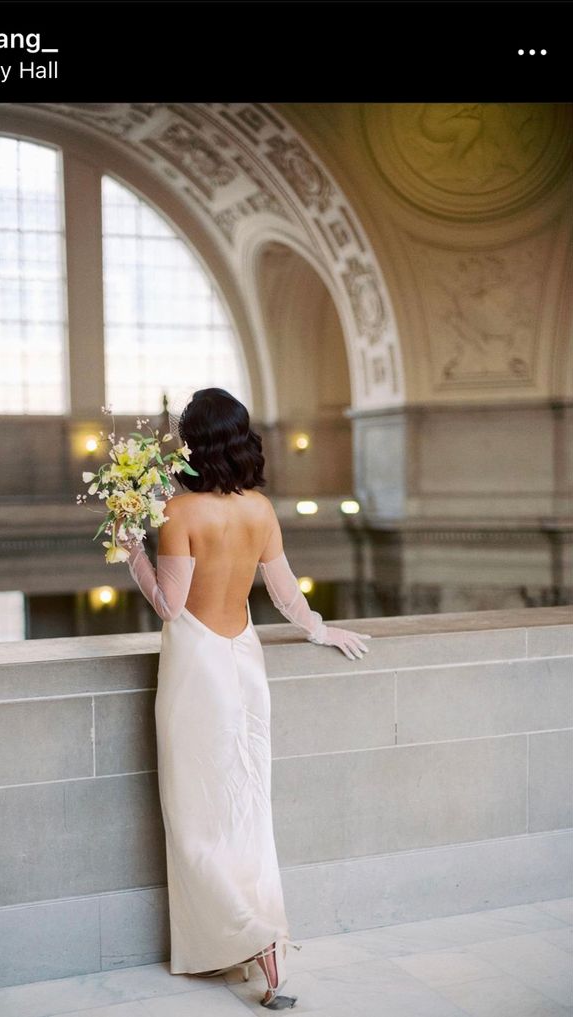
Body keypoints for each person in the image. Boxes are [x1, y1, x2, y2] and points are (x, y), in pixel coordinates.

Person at [121, 387, 371, 1010]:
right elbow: (286, 596)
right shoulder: (260, 509)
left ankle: (250, 937)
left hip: (198, 670)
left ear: (195, 443)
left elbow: (170, 605)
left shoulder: (179, 512)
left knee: (195, 815)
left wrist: (133, 554)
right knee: (246, 811)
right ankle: (265, 948)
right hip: (245, 661)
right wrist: (321, 629)